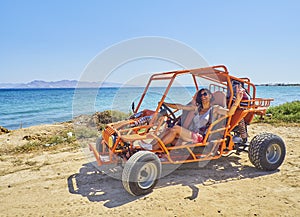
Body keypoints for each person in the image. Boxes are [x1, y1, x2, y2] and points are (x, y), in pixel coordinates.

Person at [153, 87, 245, 149]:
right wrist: (164, 103)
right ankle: (151, 146)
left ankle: (153, 149)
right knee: (168, 130)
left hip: (200, 137)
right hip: (191, 133)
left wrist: (237, 101)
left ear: (210, 96)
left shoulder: (214, 109)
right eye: (201, 95)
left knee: (175, 129)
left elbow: (229, 113)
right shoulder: (197, 108)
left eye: (205, 94)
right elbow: (180, 106)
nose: (203, 96)